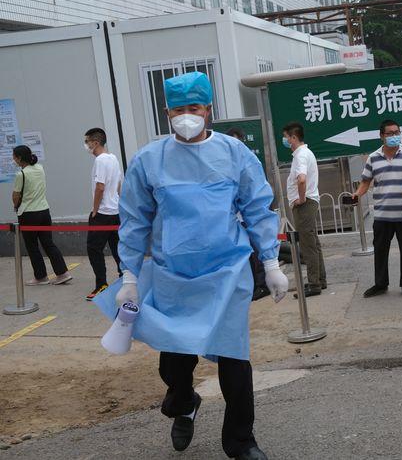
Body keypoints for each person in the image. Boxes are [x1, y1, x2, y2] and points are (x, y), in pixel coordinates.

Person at [94, 71, 288, 460]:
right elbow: (134, 220)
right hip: (173, 275)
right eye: (179, 109)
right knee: (175, 363)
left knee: (234, 359)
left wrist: (270, 260)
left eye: (194, 108)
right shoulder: (151, 159)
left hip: (227, 272)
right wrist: (129, 276)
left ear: (208, 109)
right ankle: (183, 403)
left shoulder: (235, 155)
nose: (187, 116)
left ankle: (241, 441)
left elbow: (257, 208)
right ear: (167, 112)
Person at [352, 119, 402, 298]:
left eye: (397, 132)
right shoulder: (373, 157)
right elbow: (365, 181)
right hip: (382, 215)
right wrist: (357, 194)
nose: (394, 136)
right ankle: (380, 284)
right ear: (382, 136)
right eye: (390, 133)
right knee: (380, 251)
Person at [11, 145, 72, 286]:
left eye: (14, 157)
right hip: (44, 211)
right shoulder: (40, 168)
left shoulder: (21, 174)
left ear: (19, 158)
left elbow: (15, 195)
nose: (13, 159)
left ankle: (41, 277)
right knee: (48, 243)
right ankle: (63, 273)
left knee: (32, 246)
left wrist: (16, 206)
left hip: (28, 214)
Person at [282, 122, 327, 298]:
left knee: (308, 245)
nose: (284, 140)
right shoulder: (304, 153)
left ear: (293, 137)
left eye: (286, 137)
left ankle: (314, 283)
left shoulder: (301, 155)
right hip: (309, 201)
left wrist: (300, 199)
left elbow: (301, 180)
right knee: (313, 243)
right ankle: (320, 280)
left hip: (305, 204)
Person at [226, 127, 269, 302]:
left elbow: (256, 193)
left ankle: (262, 285)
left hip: (247, 217)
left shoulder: (248, 162)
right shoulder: (222, 163)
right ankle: (252, 285)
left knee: (255, 252)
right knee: (246, 256)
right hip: (232, 220)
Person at [83, 128, 123, 301]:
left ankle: (101, 284)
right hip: (116, 211)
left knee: (94, 249)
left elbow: (100, 187)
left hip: (103, 213)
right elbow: (119, 183)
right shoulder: (113, 158)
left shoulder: (100, 160)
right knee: (116, 246)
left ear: (95, 142)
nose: (86, 145)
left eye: (87, 141)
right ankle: (125, 276)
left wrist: (94, 209)